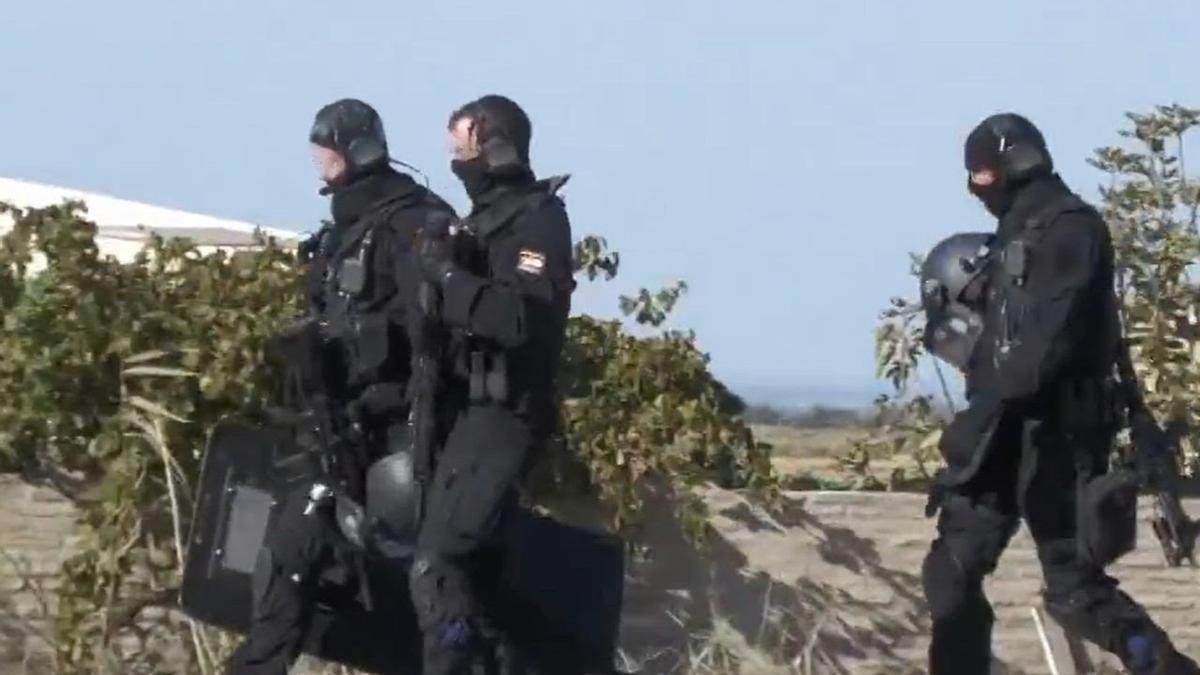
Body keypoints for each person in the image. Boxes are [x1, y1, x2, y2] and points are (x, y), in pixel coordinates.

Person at [919, 112, 1200, 675]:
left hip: (1057, 439)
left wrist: (977, 424)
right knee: (951, 571)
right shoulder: (1017, 233)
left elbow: (1041, 357)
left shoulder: (1072, 229)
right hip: (1007, 431)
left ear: (992, 172)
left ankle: (1166, 669)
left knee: (1076, 594)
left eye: (978, 177)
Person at [225, 98, 457, 675]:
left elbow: (431, 331)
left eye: (326, 151)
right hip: (341, 426)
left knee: (400, 579)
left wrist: (361, 347)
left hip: (396, 433)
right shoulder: (346, 230)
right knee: (291, 554)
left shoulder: (410, 222)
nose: (318, 163)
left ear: (354, 150)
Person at [409, 94, 576, 674]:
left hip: (505, 416)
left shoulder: (537, 219)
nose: (456, 160)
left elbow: (517, 319)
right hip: (465, 415)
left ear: (490, 142)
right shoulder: (480, 223)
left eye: (462, 147)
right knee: (474, 586)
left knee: (441, 568)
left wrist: (449, 278)